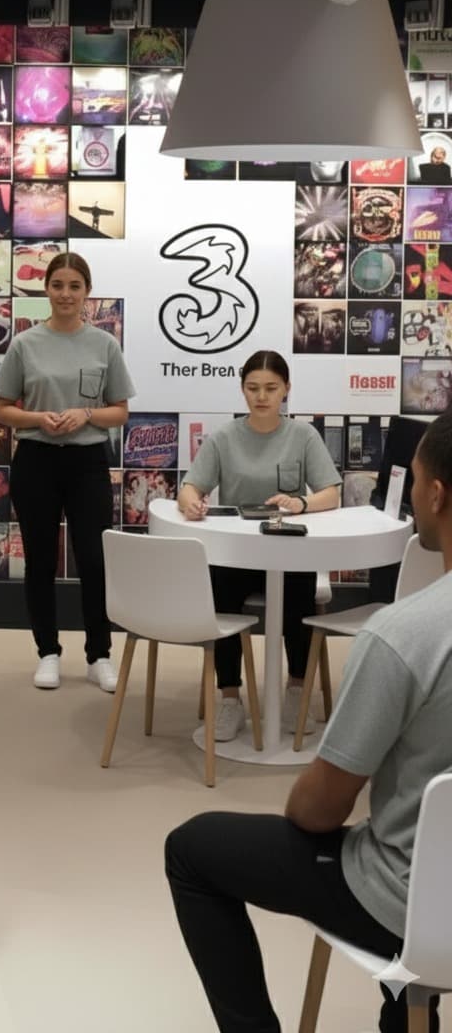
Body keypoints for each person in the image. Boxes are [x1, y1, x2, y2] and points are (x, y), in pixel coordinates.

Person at [165, 409, 452, 1033]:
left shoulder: (404, 637)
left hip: (415, 901)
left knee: (191, 851)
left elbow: (318, 812)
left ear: (434, 493)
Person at [176, 350, 341, 741]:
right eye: (253, 388)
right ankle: (230, 697)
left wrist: (301, 503)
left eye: (271, 388)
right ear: (242, 389)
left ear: (286, 389)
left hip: (287, 553)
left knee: (299, 597)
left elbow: (331, 493)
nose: (261, 396)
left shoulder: (303, 435)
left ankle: (297, 690)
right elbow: (189, 487)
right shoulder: (225, 437)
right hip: (238, 555)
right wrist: (192, 504)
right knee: (220, 596)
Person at [0, 252, 135, 692]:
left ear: (87, 292)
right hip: (36, 461)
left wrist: (87, 415)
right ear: (46, 289)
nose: (66, 294)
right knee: (40, 561)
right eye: (58, 285)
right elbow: (3, 412)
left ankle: (99, 655)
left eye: (75, 286)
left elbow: (120, 412)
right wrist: (39, 418)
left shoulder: (105, 345)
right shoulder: (24, 344)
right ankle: (48, 651)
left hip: (87, 463)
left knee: (94, 561)